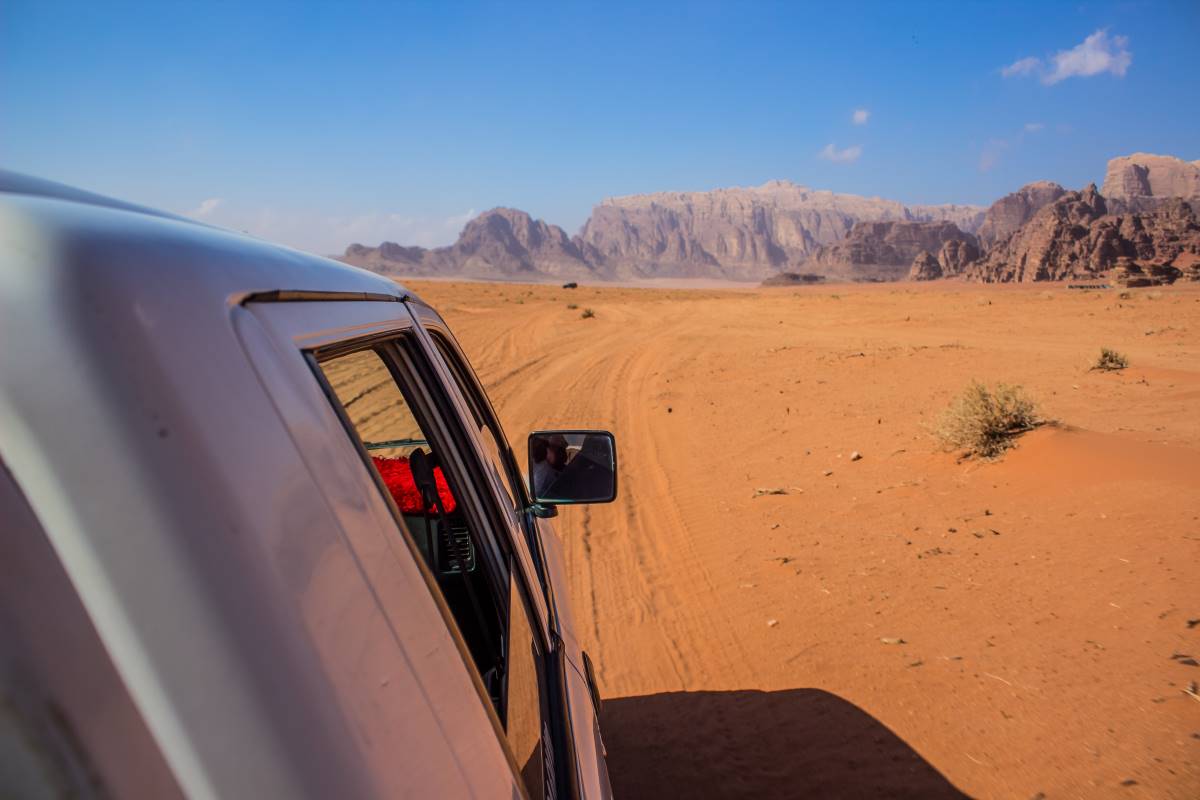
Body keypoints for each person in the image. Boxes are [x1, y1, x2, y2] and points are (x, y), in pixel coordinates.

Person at [530, 434, 568, 498]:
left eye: (560, 449)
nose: (560, 453)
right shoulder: (543, 467)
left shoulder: (543, 467)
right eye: (552, 447)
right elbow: (537, 493)